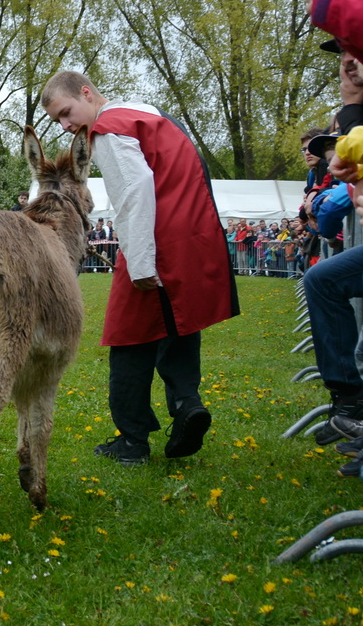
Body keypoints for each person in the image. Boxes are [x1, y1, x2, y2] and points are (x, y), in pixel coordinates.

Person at [42, 70, 237, 465]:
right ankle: (187, 403)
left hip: (157, 238)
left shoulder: (110, 129)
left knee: (128, 336)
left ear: (86, 93)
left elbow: (134, 191)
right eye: (58, 122)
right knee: (178, 325)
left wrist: (141, 263)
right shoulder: (147, 114)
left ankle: (132, 440)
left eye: (66, 113)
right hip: (190, 234)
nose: (65, 127)